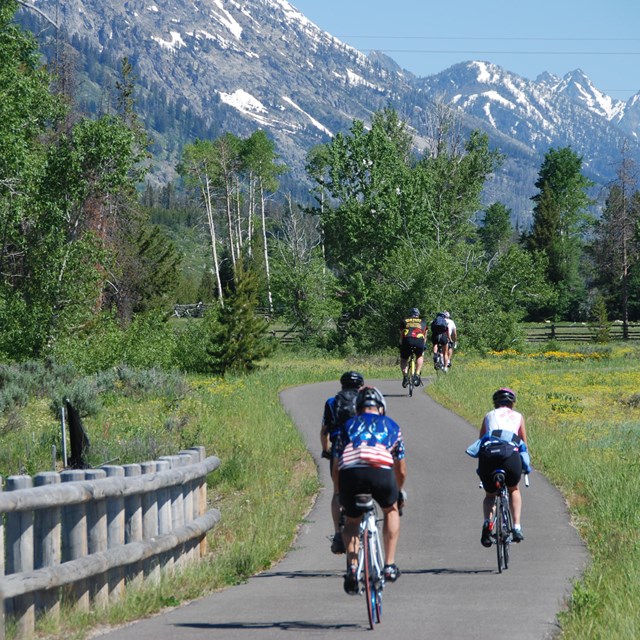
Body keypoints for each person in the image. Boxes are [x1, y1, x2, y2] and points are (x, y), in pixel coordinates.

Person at [332, 386, 407, 594]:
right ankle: (389, 565)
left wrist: (339, 492)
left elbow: (337, 463)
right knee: (390, 510)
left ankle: (353, 567)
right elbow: (400, 468)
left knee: (352, 521)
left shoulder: (347, 425)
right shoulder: (392, 425)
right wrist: (398, 492)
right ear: (381, 408)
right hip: (380, 473)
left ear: (357, 409)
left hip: (351, 474)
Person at [476, 388, 530, 547]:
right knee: (513, 489)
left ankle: (487, 524)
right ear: (512, 403)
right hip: (510, 456)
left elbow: (480, 442)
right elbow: (523, 444)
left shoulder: (488, 415)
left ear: (495, 403)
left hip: (489, 456)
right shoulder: (518, 417)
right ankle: (517, 527)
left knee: (490, 495)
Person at [321, 371, 365, 554]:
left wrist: (326, 450)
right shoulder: (365, 401)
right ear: (360, 386)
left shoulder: (332, 402)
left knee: (338, 492)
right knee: (364, 488)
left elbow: (324, 431)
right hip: (362, 450)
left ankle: (338, 533)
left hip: (339, 451)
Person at [399, 307, 427, 387]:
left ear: (409, 315)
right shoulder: (423, 321)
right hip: (419, 340)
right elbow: (425, 336)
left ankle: (405, 377)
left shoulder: (404, 321)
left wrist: (400, 344)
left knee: (404, 359)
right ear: (418, 315)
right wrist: (423, 345)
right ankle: (417, 374)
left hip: (407, 340)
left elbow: (401, 335)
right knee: (419, 355)